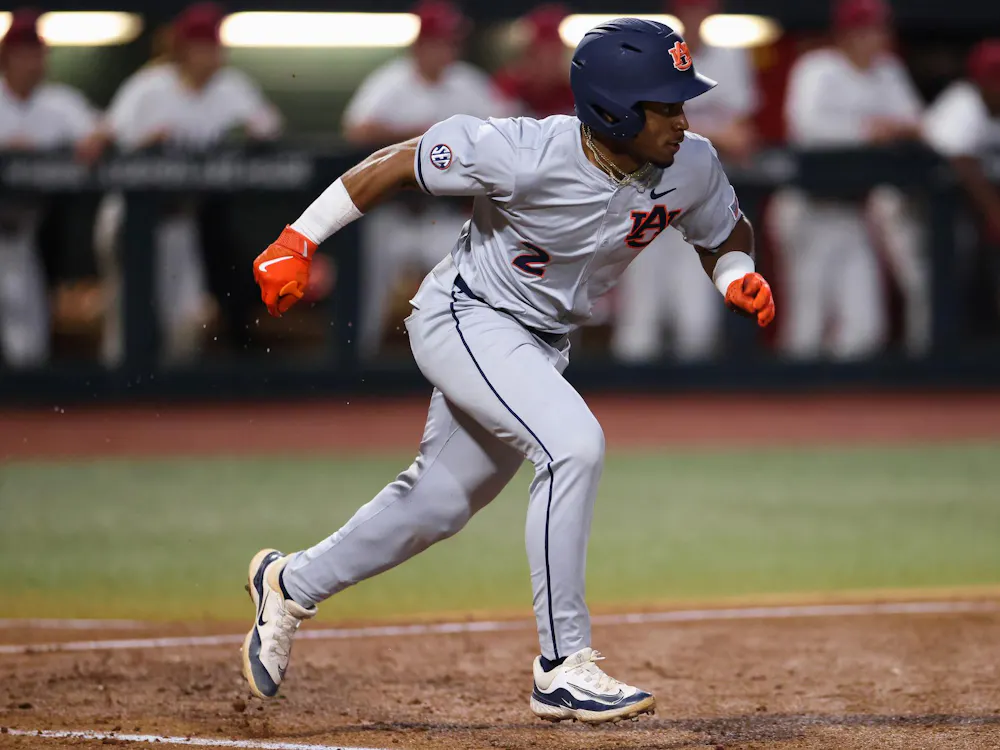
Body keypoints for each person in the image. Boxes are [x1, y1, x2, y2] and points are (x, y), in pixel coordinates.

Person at [242, 19, 775, 724]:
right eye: (666, 104)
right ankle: (563, 666)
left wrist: (735, 272)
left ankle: (289, 583)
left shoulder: (692, 162)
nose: (683, 119)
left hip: (540, 341)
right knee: (573, 445)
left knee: (437, 502)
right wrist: (298, 238)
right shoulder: (520, 150)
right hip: (465, 316)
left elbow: (721, 229)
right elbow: (400, 160)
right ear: (614, 108)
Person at [95, 2, 282, 365]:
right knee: (127, 314)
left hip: (180, 217)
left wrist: (243, 134)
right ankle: (117, 402)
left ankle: (167, 410)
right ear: (182, 49)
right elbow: (102, 138)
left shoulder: (231, 88)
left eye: (214, 45)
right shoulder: (149, 87)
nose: (210, 53)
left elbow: (269, 127)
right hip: (132, 216)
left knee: (187, 320)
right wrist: (144, 144)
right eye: (201, 45)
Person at [342, 0, 514, 359]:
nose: (446, 49)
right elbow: (355, 131)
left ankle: (468, 363)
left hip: (445, 212)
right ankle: (354, 366)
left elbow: (511, 129)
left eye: (451, 41)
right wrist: (416, 137)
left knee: (469, 289)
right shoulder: (391, 81)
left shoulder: (468, 82)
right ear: (420, 45)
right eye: (439, 41)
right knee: (366, 291)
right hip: (392, 211)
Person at [613, 0, 761, 363]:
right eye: (689, 10)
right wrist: (716, 134)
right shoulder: (653, 54)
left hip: (697, 198)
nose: (696, 17)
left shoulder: (730, 58)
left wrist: (689, 131)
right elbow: (638, 126)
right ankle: (632, 411)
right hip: (644, 192)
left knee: (696, 324)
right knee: (639, 323)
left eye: (702, 10)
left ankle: (696, 419)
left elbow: (743, 136)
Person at [778, 0, 926, 360]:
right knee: (806, 330)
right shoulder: (817, 69)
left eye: (880, 28)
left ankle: (838, 416)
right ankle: (787, 412)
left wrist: (888, 129)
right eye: (868, 29)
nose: (878, 37)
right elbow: (807, 129)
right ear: (845, 34)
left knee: (864, 332)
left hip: (854, 210)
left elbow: (918, 123)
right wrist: (869, 130)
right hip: (808, 208)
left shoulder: (888, 71)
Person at [0, 9, 104, 368]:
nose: (32, 62)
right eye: (23, 53)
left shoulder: (59, 103)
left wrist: (93, 140)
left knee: (28, 334)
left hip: (26, 230)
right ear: (6, 56)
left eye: (38, 53)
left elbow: (100, 131)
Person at [923, 40, 1000, 336]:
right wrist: (994, 210)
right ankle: (931, 365)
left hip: (959, 212)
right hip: (910, 209)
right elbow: (961, 159)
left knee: (956, 278)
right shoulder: (962, 102)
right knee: (927, 282)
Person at [492, 4, 575, 119]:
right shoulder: (507, 88)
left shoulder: (573, 90)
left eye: (554, 55)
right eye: (540, 56)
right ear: (527, 56)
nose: (547, 64)